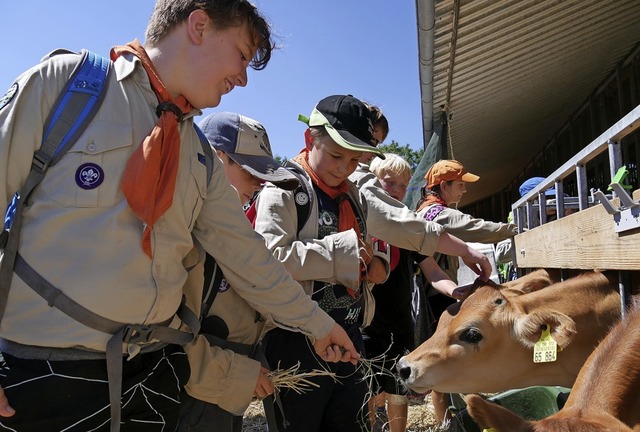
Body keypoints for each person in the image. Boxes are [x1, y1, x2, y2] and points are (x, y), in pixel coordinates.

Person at [0, 2, 358, 431]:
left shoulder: (201, 158)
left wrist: (318, 325)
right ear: (199, 24)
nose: (243, 78)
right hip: (42, 374)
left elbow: (248, 258)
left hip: (151, 380)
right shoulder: (66, 87)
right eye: (242, 55)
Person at [253, 95, 489, 432]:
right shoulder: (284, 190)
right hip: (295, 343)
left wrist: (462, 249)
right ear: (310, 139)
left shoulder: (354, 195)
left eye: (355, 160)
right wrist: (345, 252)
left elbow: (403, 224)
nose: (344, 168)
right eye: (336, 155)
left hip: (349, 337)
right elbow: (270, 258)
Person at [178, 112, 306, 432]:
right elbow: (168, 342)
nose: (259, 184)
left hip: (221, 396)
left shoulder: (236, 230)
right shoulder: (184, 231)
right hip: (187, 400)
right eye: (250, 172)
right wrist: (240, 374)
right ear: (217, 159)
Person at [363, 154, 462, 432]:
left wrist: (457, 291)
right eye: (389, 182)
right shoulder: (363, 226)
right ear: (372, 183)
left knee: (398, 388)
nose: (395, 190)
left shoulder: (408, 231)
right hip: (366, 324)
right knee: (368, 390)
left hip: (400, 324)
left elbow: (433, 272)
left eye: (402, 185)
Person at [414, 159, 518, 421]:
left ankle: (444, 420)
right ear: (443, 185)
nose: (464, 191)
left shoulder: (428, 210)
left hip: (437, 291)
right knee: (443, 357)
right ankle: (445, 420)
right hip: (432, 295)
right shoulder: (436, 213)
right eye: (460, 185)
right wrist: (513, 230)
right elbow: (473, 227)